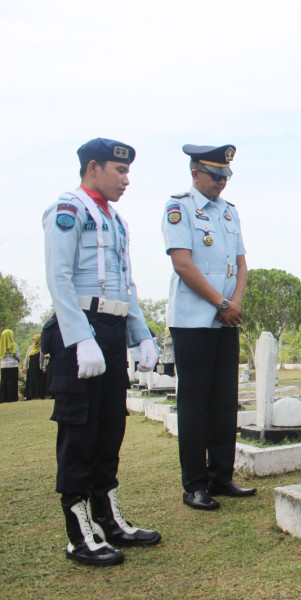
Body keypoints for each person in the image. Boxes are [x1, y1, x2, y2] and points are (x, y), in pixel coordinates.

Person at [42, 137, 161, 566]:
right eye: (120, 171)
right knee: (80, 429)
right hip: (82, 332)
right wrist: (80, 337)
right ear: (94, 167)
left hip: (111, 330)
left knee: (110, 427)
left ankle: (107, 518)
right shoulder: (68, 209)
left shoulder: (116, 220)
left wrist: (142, 333)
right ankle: (78, 534)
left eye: (127, 172)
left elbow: (125, 283)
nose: (127, 179)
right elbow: (59, 278)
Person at [163, 143, 255, 511]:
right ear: (195, 173)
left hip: (225, 320)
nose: (221, 183)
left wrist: (235, 304)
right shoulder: (179, 208)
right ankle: (195, 485)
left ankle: (222, 475)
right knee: (195, 403)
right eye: (216, 176)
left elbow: (242, 265)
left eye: (226, 176)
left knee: (223, 402)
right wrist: (221, 304)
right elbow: (183, 265)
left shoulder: (229, 213)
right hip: (193, 322)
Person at [23, 333, 47, 400]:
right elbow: (26, 358)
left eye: (35, 339)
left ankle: (40, 395)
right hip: (31, 367)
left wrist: (44, 367)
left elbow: (45, 358)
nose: (33, 340)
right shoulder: (30, 348)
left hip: (39, 367)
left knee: (39, 380)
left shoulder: (42, 348)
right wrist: (25, 367)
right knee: (30, 381)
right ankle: (29, 396)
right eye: (33, 339)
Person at [0, 329, 20, 403]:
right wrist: (18, 361)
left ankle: (2, 398)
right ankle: (12, 398)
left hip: (3, 366)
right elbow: (17, 356)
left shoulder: (1, 345)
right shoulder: (14, 345)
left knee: (4, 382)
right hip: (13, 366)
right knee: (12, 382)